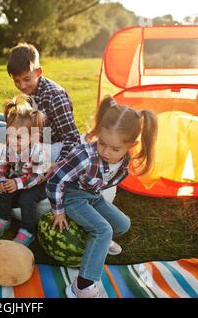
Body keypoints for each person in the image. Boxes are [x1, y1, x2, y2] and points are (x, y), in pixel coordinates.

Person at [46, 96, 158, 298]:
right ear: (99, 134)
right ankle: (81, 285)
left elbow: (102, 182)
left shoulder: (124, 161)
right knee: (103, 229)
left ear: (131, 145)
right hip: (71, 197)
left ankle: (99, 244)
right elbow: (55, 180)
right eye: (102, 144)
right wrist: (58, 211)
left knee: (123, 224)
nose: (106, 152)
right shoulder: (84, 155)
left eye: (115, 148)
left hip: (92, 195)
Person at [0, 43, 80, 165]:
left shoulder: (55, 96)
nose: (22, 86)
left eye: (26, 79)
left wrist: (57, 165)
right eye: (17, 81)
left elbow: (73, 138)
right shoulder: (34, 89)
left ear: (38, 72)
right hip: (32, 130)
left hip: (46, 143)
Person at [0, 95, 50, 246]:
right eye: (9, 135)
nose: (13, 140)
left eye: (19, 137)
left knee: (26, 198)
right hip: (20, 178)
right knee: (2, 187)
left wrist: (17, 183)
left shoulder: (38, 151)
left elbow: (37, 175)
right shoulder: (9, 147)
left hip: (40, 182)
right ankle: (4, 218)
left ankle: (28, 230)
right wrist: (2, 180)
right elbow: (2, 164)